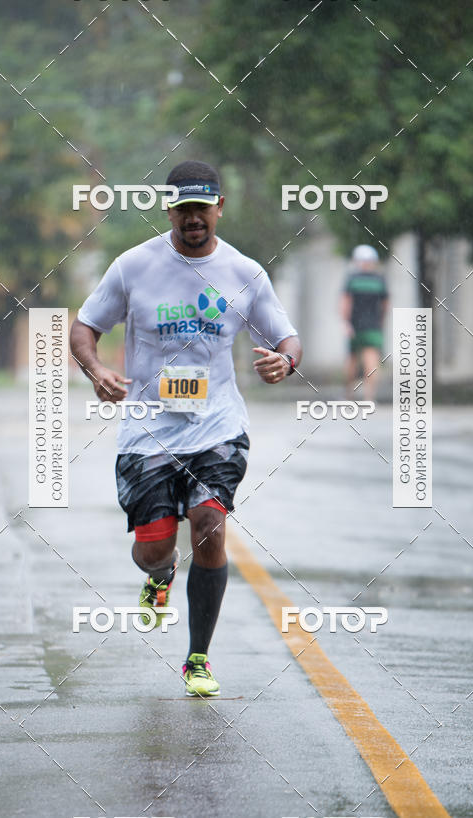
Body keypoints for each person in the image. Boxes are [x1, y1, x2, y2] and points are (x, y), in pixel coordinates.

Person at [70, 160, 301, 697]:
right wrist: (96, 370)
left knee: (209, 524)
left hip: (217, 426)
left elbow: (286, 337)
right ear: (168, 211)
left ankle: (198, 658)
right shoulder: (133, 267)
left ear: (219, 207)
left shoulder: (244, 273)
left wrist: (285, 362)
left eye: (202, 207)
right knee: (153, 550)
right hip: (147, 431)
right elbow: (84, 327)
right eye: (183, 208)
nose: (193, 217)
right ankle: (159, 575)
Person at [340, 244, 389, 402]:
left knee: (352, 361)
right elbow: (385, 305)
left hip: (355, 325)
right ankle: (369, 397)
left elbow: (345, 303)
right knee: (371, 361)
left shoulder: (352, 279)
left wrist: (346, 323)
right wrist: (381, 323)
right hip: (373, 326)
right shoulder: (380, 280)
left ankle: (349, 395)